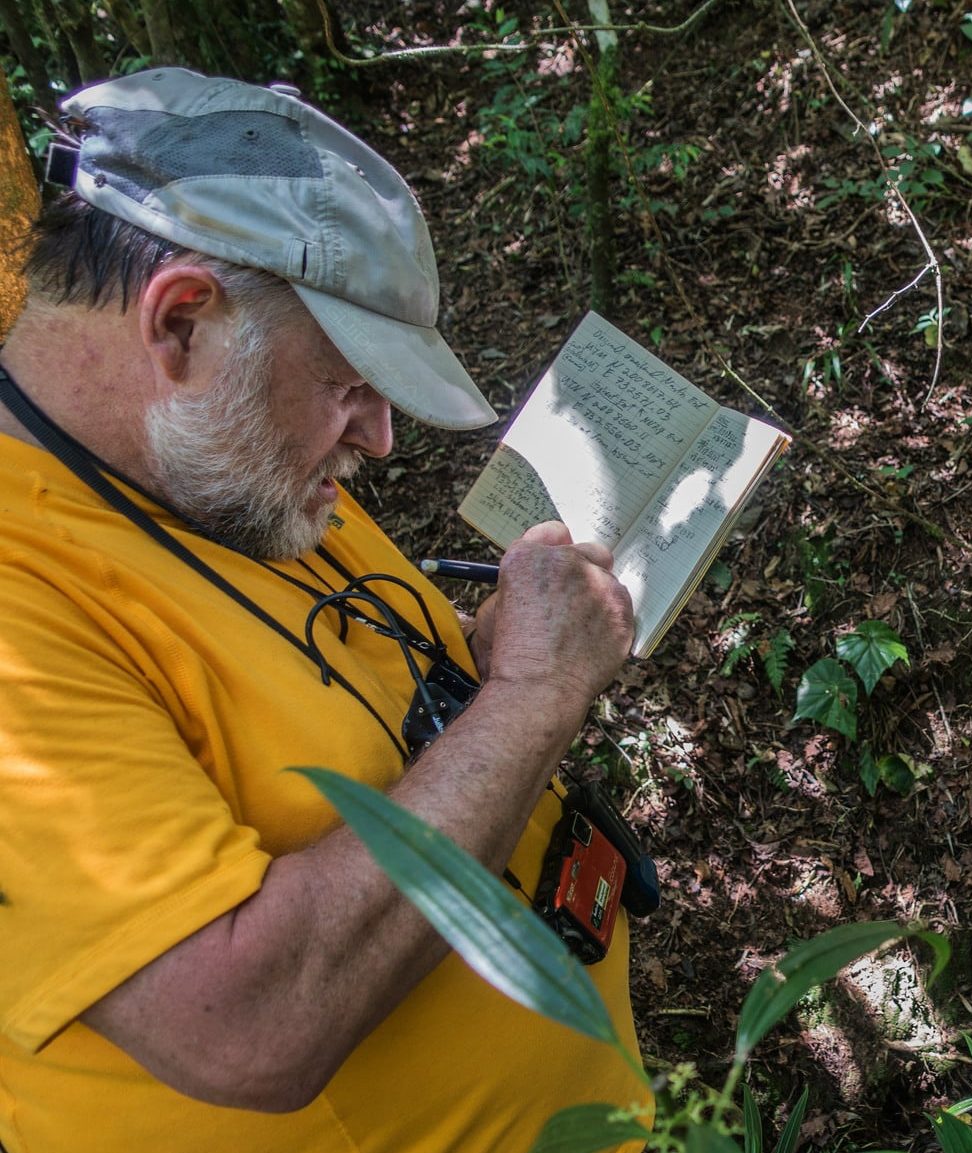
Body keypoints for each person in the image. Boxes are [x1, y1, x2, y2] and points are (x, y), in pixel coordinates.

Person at [0, 69, 647, 1152]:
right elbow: (245, 1026)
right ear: (182, 322)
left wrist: (487, 669)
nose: (379, 436)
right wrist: (532, 699)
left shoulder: (219, 458)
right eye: (349, 381)